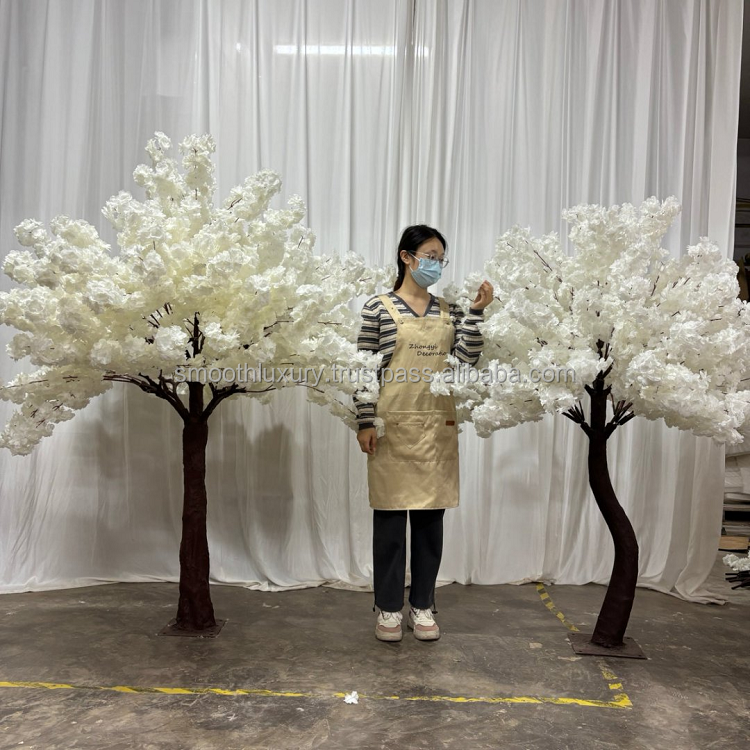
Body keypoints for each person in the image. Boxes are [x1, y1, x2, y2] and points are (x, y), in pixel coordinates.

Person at [354, 225, 493, 642]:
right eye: (430, 256)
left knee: (430, 521)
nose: (436, 264)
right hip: (391, 427)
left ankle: (423, 605)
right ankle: (388, 609)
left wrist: (476, 312)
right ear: (407, 257)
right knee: (390, 521)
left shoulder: (449, 311)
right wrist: (365, 420)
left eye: (440, 259)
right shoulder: (378, 308)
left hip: (435, 426)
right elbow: (364, 368)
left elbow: (466, 359)